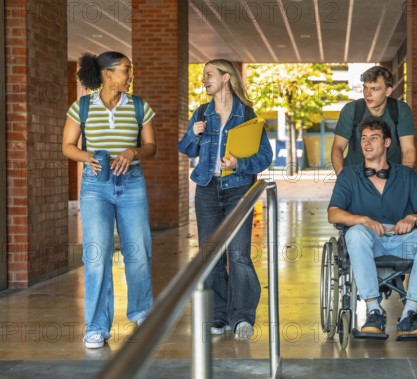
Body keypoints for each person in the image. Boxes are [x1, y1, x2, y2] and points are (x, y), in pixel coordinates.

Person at [62, 51, 157, 349]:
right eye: (125, 70)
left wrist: (133, 152)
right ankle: (96, 327)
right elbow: (67, 146)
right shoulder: (82, 107)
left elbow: (151, 146)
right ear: (107, 74)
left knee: (138, 250)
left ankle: (143, 314)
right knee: (95, 255)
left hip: (131, 183)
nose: (129, 75)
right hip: (96, 186)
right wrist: (87, 156)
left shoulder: (140, 106)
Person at [178, 59, 273, 341]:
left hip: (237, 189)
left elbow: (265, 157)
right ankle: (218, 314)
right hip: (207, 189)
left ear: (226, 78)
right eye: (203, 75)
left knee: (239, 254)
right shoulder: (201, 113)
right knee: (211, 255)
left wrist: (238, 162)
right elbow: (185, 148)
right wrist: (192, 134)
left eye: (209, 74)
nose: (204, 79)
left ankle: (242, 316)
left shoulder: (246, 115)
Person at [327, 117, 417, 340]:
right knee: (356, 233)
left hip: (402, 240)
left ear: (387, 143)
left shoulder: (406, 175)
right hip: (369, 243)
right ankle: (374, 311)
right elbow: (333, 213)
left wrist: (412, 218)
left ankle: (409, 314)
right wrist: (363, 220)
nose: (367, 143)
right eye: (363, 138)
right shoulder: (349, 176)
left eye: (374, 138)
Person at [331, 65, 416, 174]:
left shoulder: (401, 110)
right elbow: (338, 147)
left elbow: (408, 149)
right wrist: (342, 177)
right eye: (365, 87)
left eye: (374, 89)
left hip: (390, 178)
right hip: (355, 178)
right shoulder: (351, 110)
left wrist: (403, 180)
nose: (368, 94)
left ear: (388, 91)